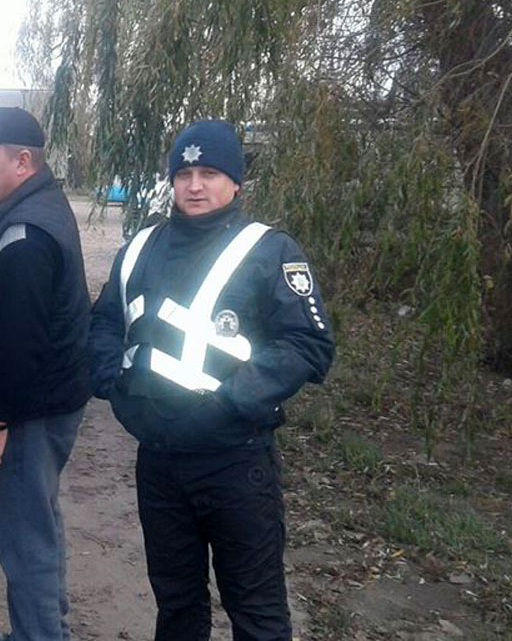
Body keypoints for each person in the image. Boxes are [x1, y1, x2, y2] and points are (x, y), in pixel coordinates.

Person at [88, 119, 335, 640]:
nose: (195, 185)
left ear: (236, 182)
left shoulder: (270, 250)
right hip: (158, 463)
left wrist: (230, 403)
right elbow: (106, 320)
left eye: (209, 172)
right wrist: (109, 377)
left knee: (257, 612)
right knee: (176, 607)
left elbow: (308, 344)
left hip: (235, 463)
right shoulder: (140, 247)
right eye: (185, 173)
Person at [0, 107, 92, 641]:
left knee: (24, 534)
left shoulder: (26, 231)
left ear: (22, 161)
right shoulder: (31, 209)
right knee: (40, 525)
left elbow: (24, 342)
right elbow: (15, 310)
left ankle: (38, 636)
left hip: (30, 411)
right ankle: (43, 630)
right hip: (49, 401)